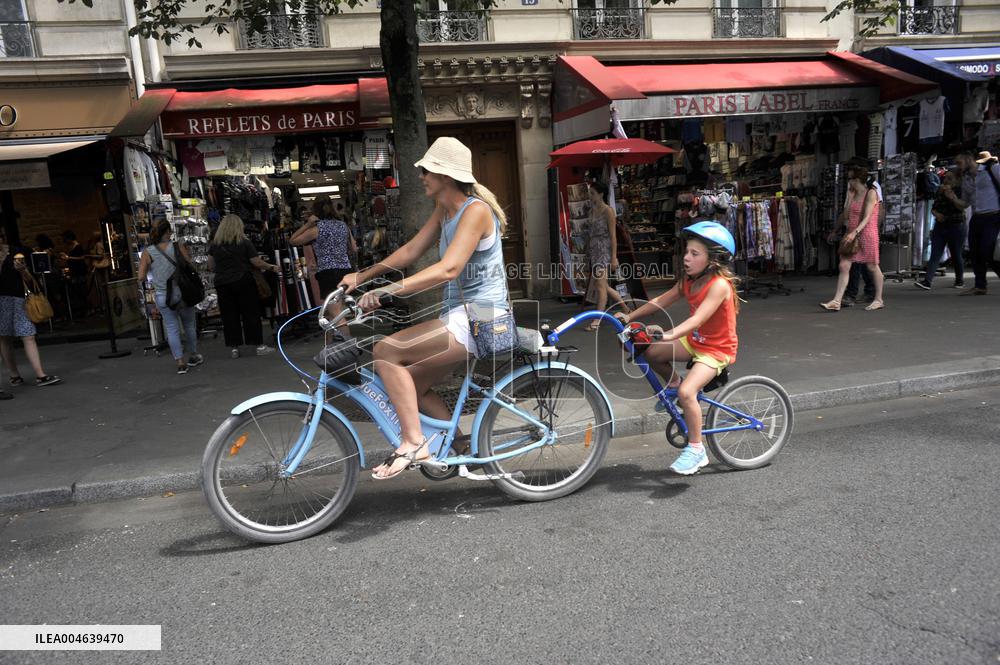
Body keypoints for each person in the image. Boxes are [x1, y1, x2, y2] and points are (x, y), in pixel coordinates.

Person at [338, 136, 509, 480]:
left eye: (426, 170)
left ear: (445, 175)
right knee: (409, 389)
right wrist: (363, 276)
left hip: (484, 317)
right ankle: (461, 450)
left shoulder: (475, 211)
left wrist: (387, 292)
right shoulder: (445, 210)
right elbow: (411, 251)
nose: (421, 176)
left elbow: (449, 268)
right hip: (462, 316)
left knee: (386, 351)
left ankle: (414, 442)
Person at [614, 222, 739, 476]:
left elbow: (697, 320)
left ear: (713, 259)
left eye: (695, 254)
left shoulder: (719, 285)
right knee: (650, 352)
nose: (686, 258)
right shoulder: (689, 281)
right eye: (687, 252)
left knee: (687, 392)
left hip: (716, 349)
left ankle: (697, 449)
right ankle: (671, 383)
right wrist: (630, 316)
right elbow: (661, 301)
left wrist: (668, 333)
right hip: (695, 341)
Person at [208, 214, 280, 358]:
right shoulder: (244, 242)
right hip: (243, 281)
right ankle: (258, 345)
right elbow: (256, 262)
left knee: (229, 316)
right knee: (251, 313)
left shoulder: (215, 245)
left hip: (222, 283)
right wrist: (271, 267)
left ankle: (234, 347)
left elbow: (211, 266)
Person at [138, 220, 203, 375]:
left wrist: (157, 274)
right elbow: (190, 264)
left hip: (162, 295)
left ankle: (180, 363)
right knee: (189, 324)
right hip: (182, 292)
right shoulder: (177, 246)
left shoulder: (148, 252)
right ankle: (193, 355)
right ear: (167, 232)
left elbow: (141, 276)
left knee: (171, 328)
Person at [0, 228, 61, 388]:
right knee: (4, 338)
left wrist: (23, 270)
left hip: (19, 299)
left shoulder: (14, 252)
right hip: (1, 302)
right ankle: (14, 376)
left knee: (28, 335)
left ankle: (40, 375)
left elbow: (28, 278)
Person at [820, 163, 885, 311]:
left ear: (858, 179)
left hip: (866, 233)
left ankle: (879, 299)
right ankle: (836, 301)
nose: (849, 182)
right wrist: (849, 198)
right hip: (852, 233)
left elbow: (868, 217)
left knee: (872, 266)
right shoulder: (853, 193)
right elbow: (847, 213)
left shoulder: (871, 193)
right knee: (844, 265)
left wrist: (854, 232)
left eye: (851, 179)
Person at [290, 195, 356, 332]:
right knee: (334, 312)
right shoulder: (343, 225)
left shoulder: (317, 229)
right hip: (346, 270)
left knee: (335, 313)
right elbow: (354, 248)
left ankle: (348, 345)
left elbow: (293, 240)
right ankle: (332, 347)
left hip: (328, 272)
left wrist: (308, 224)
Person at [584, 181, 630, 330]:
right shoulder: (591, 211)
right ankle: (626, 309)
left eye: (593, 193)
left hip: (604, 250)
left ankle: (597, 319)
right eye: (590, 193)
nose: (590, 196)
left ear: (601, 194)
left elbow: (613, 236)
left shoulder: (608, 211)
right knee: (602, 284)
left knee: (600, 286)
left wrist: (613, 257)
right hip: (594, 250)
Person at [916, 170, 969, 290]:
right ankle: (927, 281)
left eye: (950, 179)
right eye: (946, 178)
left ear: (957, 181)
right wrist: (937, 214)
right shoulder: (940, 191)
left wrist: (953, 198)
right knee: (935, 254)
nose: (946, 181)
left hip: (956, 226)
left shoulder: (960, 191)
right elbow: (933, 208)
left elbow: (962, 207)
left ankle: (959, 280)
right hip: (941, 226)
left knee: (956, 254)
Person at [958, 150, 1000, 295]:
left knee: (988, 250)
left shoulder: (993, 168)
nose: (958, 166)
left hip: (993, 216)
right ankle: (980, 285)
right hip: (977, 217)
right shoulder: (967, 178)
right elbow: (965, 202)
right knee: (975, 251)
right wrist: (951, 197)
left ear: (970, 160)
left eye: (959, 162)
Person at [59, 230, 88, 316]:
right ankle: (80, 309)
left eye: (65, 238)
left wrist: (68, 258)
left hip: (80, 271)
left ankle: (84, 309)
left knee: (81, 290)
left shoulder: (78, 247)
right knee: (77, 291)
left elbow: (82, 257)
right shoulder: (72, 247)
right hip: (75, 271)